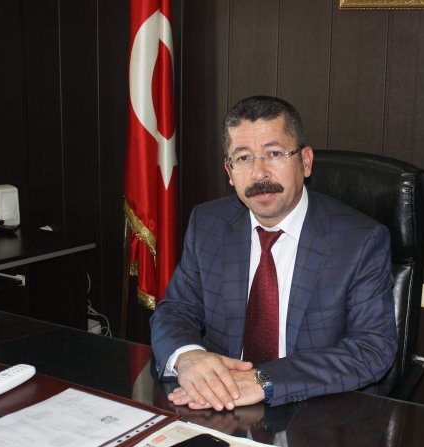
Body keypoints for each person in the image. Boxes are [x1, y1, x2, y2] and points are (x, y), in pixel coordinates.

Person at [150, 95, 397, 411]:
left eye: (274, 154)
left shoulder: (359, 240)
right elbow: (176, 309)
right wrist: (188, 357)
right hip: (218, 402)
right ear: (229, 172)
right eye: (243, 158)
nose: (258, 174)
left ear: (305, 162)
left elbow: (372, 349)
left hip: (313, 410)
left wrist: (263, 380)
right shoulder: (208, 223)